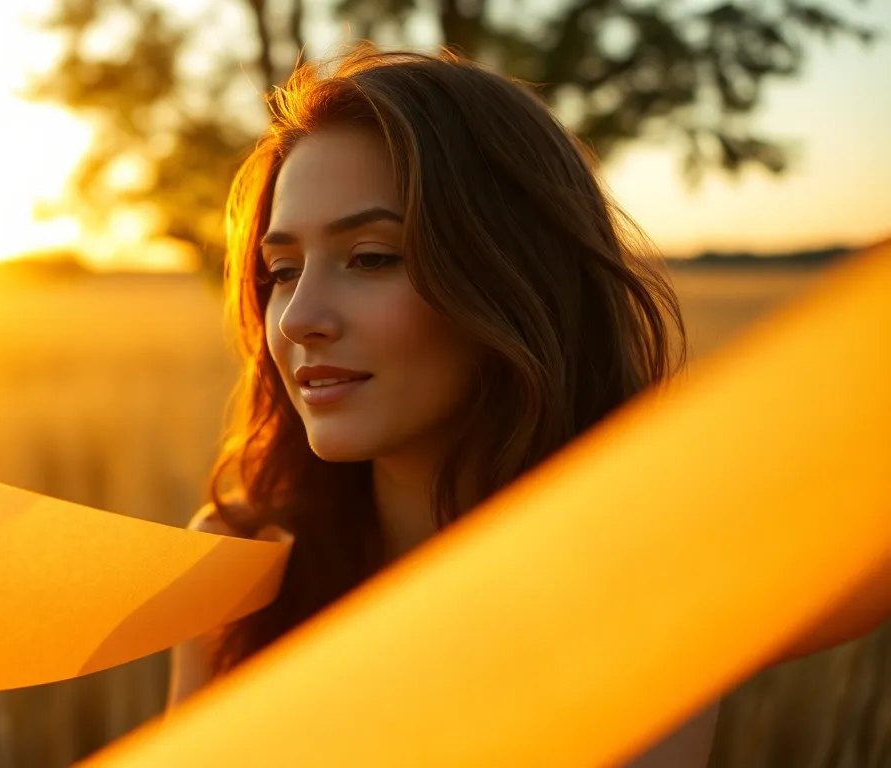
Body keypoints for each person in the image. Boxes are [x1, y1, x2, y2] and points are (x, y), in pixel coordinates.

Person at [165, 44, 889, 765]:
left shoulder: (642, 595)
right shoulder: (240, 565)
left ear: (510, 280)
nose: (297, 319)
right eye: (282, 269)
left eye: (373, 257)